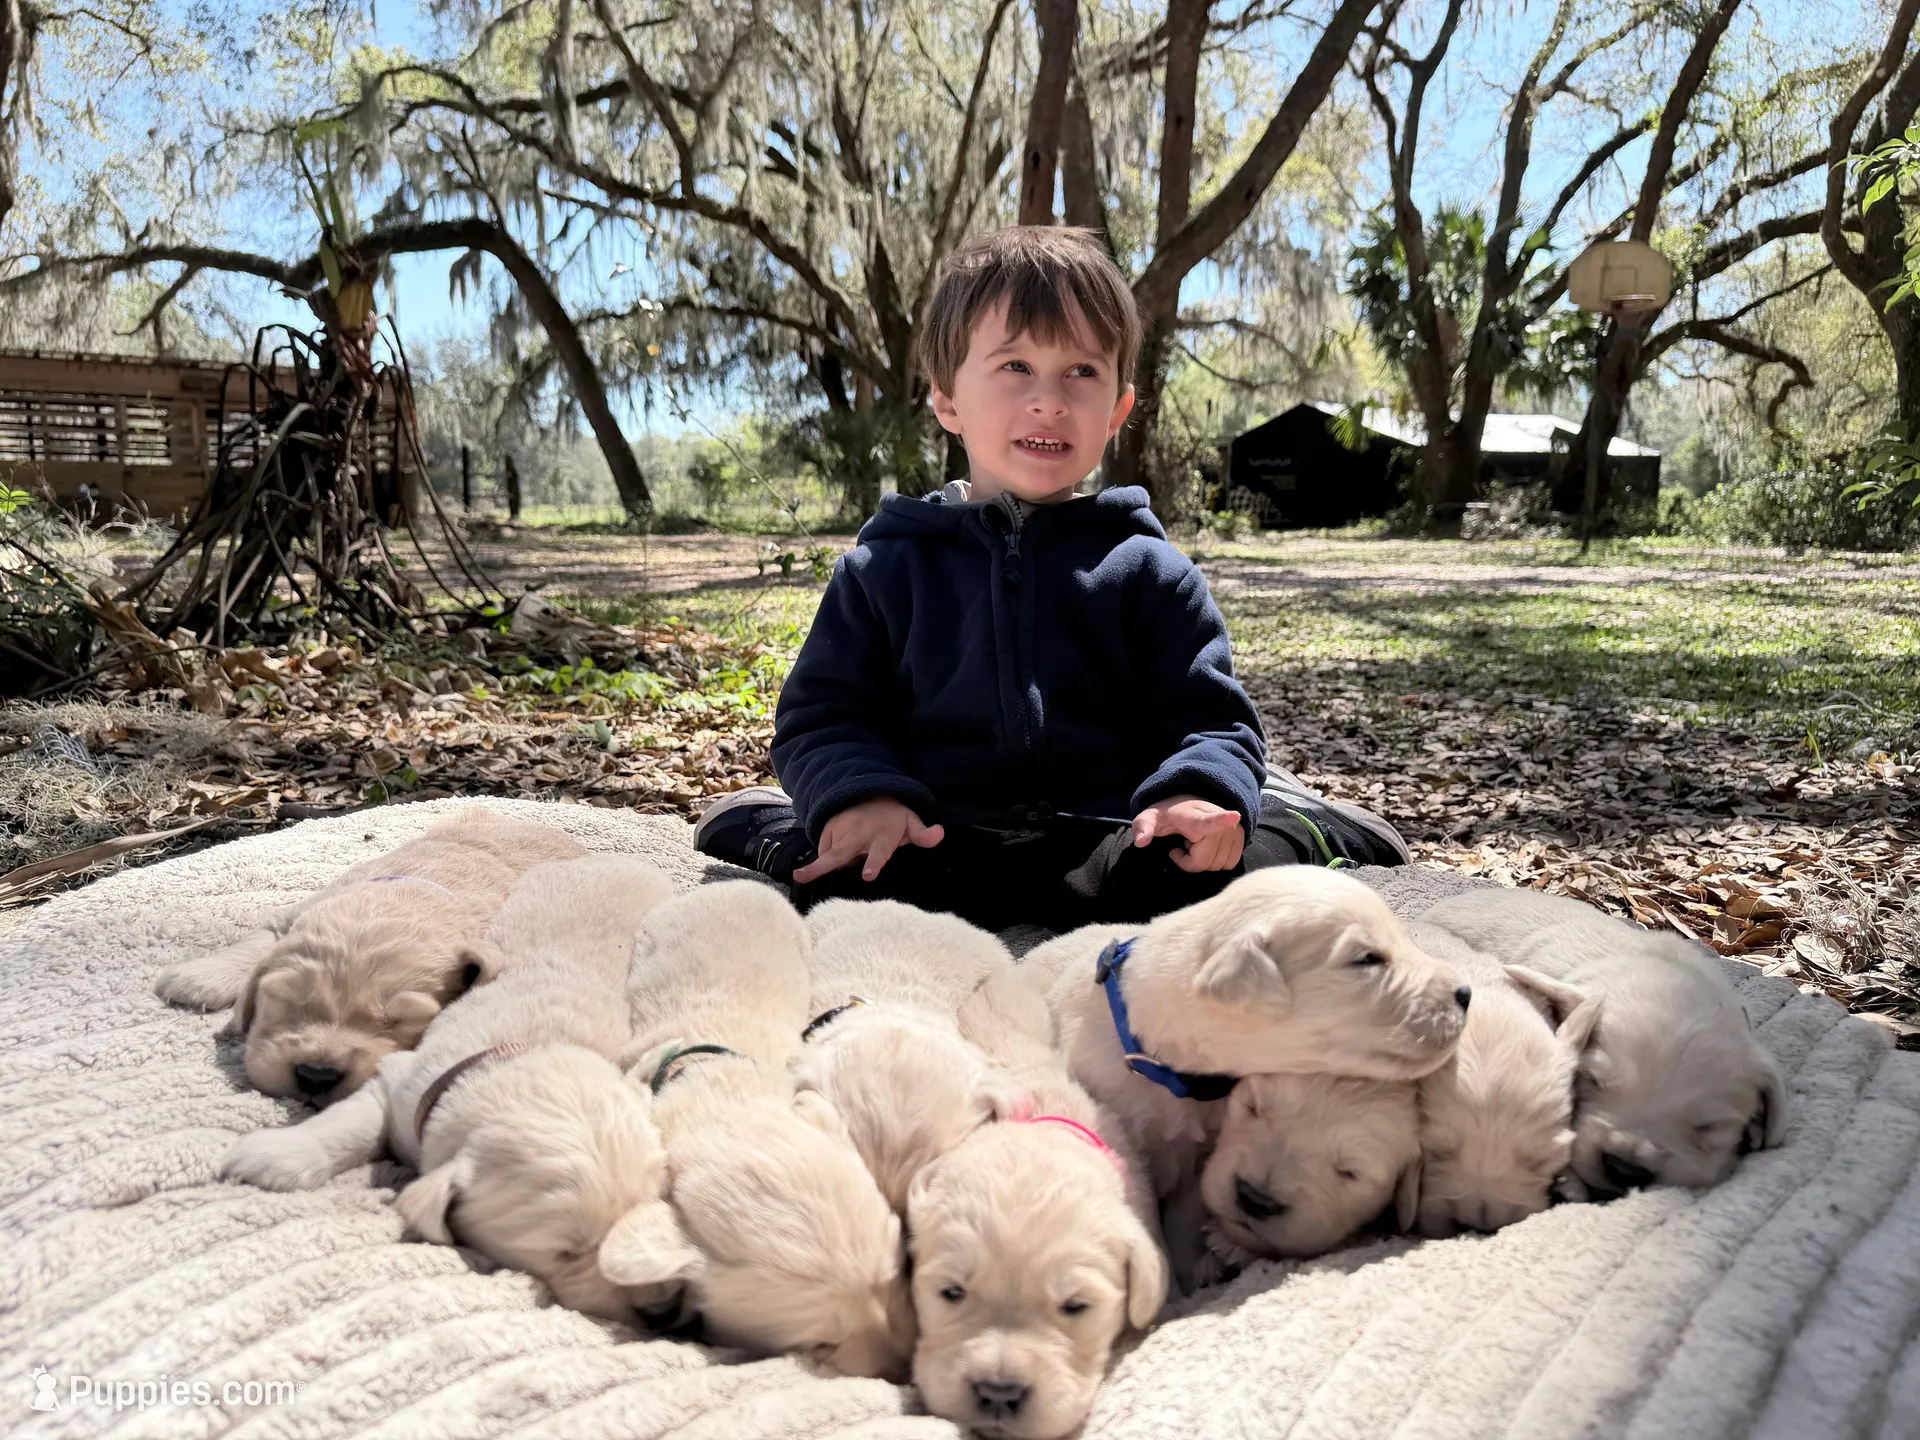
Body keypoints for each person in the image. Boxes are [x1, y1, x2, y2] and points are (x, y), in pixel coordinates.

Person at [696, 226, 1406, 933]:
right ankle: (776, 827)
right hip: (942, 836)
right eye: (1014, 368)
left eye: (1082, 372)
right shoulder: (883, 570)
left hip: (1111, 837)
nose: (1050, 400)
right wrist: (860, 798)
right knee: (848, 888)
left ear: (1118, 411)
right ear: (948, 401)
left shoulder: (1152, 572)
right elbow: (823, 717)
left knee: (1203, 888)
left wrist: (1194, 793)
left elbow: (1211, 719)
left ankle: (1309, 829)